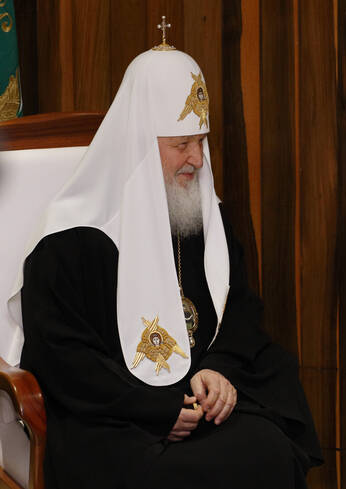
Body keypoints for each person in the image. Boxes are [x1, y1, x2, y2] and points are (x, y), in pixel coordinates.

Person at [10, 40, 322, 488]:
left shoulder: (203, 218)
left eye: (201, 141)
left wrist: (220, 372)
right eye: (182, 145)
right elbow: (62, 358)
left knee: (269, 448)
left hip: (201, 408)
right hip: (115, 421)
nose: (197, 159)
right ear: (138, 144)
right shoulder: (68, 242)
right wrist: (153, 409)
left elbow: (241, 314)